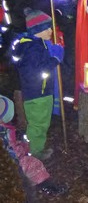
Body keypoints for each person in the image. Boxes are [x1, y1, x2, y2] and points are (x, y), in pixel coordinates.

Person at [12, 8, 64, 159]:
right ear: (36, 30)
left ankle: (32, 146)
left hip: (40, 92)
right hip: (37, 93)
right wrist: (55, 59)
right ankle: (35, 153)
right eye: (46, 28)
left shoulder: (37, 44)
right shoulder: (32, 48)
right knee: (38, 124)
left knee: (39, 122)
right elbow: (37, 70)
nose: (50, 31)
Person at [0, 95, 68, 196]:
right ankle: (47, 186)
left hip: (9, 157)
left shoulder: (5, 129)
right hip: (8, 162)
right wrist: (21, 152)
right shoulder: (3, 131)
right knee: (33, 165)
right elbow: (9, 150)